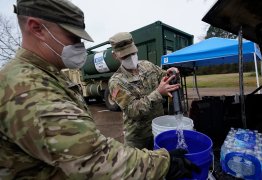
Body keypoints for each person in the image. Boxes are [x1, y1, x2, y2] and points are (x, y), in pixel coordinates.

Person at [0, 0, 199, 179]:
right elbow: (94, 158)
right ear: (37, 28)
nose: (80, 46)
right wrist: (165, 162)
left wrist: (170, 73)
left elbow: (161, 74)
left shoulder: (50, 75)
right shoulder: (29, 89)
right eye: (73, 37)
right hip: (137, 138)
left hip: (155, 132)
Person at [108, 32, 180, 150]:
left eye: (133, 53)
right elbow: (133, 110)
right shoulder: (116, 82)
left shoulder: (147, 65)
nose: (131, 57)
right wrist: (158, 93)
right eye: (125, 56)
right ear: (115, 56)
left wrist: (170, 73)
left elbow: (163, 76)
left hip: (158, 130)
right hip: (138, 139)